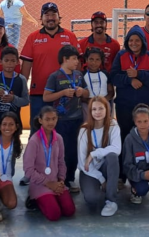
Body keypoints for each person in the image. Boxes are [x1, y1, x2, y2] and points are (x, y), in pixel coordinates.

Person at [20, 2, 81, 145]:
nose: (50, 18)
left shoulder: (70, 36)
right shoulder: (33, 37)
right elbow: (26, 66)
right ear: (41, 18)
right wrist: (23, 91)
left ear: (59, 17)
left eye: (53, 14)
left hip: (66, 95)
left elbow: (78, 66)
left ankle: (62, 166)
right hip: (39, 95)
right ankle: (33, 166)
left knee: (62, 136)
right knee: (36, 134)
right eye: (46, 15)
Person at [109, 24, 149, 182]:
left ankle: (143, 172)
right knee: (124, 138)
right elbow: (114, 77)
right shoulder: (121, 55)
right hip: (124, 105)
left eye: (137, 40)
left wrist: (139, 74)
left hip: (144, 106)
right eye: (131, 40)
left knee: (143, 137)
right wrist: (129, 80)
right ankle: (122, 174)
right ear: (127, 41)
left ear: (143, 42)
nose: (134, 43)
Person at [43, 45, 89, 193]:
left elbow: (87, 94)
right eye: (74, 58)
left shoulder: (79, 75)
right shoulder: (55, 76)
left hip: (77, 119)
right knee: (60, 150)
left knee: (74, 150)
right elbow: (46, 97)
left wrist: (82, 92)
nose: (77, 61)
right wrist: (62, 92)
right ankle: (58, 178)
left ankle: (70, 178)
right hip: (61, 120)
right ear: (65, 59)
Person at [23, 105, 76, 222]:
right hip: (40, 184)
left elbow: (62, 162)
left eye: (54, 119)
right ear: (40, 120)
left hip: (56, 183)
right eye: (47, 119)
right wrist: (48, 183)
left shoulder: (59, 138)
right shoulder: (34, 141)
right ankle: (35, 199)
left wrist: (61, 180)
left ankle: (51, 197)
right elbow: (28, 170)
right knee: (54, 214)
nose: (51, 122)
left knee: (69, 211)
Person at [77, 96, 122, 217]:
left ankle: (111, 200)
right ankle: (106, 188)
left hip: (105, 166)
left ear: (107, 109)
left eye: (101, 108)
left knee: (112, 157)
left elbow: (117, 149)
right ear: (90, 111)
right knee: (92, 199)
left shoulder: (113, 125)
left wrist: (94, 153)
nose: (97, 112)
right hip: (90, 170)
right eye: (94, 109)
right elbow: (82, 163)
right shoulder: (84, 130)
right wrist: (101, 179)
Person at [0, 46, 29, 139]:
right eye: (6, 60)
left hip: (13, 124)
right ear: (1, 61)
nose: (9, 63)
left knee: (12, 150)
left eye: (13, 61)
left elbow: (26, 101)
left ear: (17, 62)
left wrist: (13, 99)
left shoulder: (21, 79)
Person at [81, 48, 114, 119]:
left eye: (97, 60)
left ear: (101, 61)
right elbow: (80, 94)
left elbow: (111, 92)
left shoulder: (105, 73)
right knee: (89, 126)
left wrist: (103, 101)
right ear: (86, 60)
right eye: (91, 59)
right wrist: (89, 101)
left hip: (104, 104)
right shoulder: (81, 75)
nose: (94, 62)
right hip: (87, 105)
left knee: (105, 126)